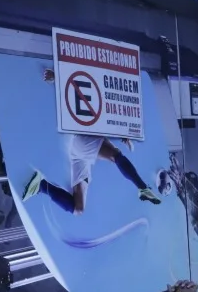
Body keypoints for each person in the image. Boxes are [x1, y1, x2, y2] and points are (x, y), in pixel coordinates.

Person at [24, 69, 163, 215]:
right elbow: (75, 90)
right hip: (82, 140)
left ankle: (42, 186)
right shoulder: (95, 95)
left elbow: (112, 121)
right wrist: (57, 77)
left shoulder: (108, 105)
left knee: (78, 209)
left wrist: (124, 134)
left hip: (80, 154)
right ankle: (142, 188)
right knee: (115, 156)